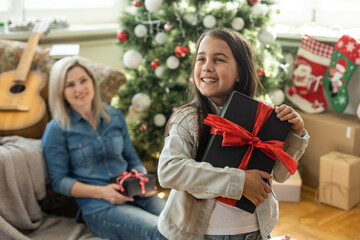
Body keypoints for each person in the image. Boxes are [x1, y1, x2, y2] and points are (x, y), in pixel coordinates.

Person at [157, 28, 310, 240]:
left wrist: (296, 133)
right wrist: (238, 182)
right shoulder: (189, 119)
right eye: (201, 59)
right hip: (203, 234)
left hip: (255, 231)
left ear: (239, 72)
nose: (207, 67)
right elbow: (169, 171)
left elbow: (281, 174)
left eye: (218, 60)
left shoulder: (262, 116)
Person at [42, 56, 167, 240]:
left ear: (92, 82)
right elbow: (59, 181)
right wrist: (102, 192)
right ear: (60, 91)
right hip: (100, 206)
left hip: (135, 193)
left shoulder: (114, 115)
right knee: (161, 232)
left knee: (180, 222)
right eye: (70, 85)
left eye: (83, 80)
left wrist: (142, 182)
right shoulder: (56, 129)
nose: (79, 89)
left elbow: (130, 157)